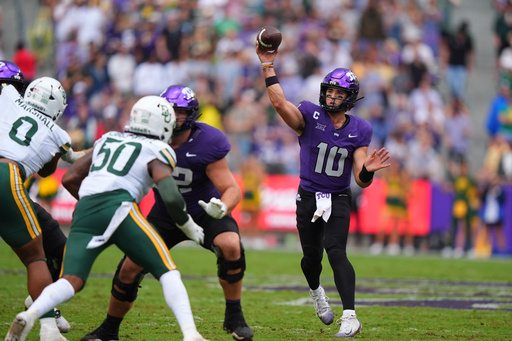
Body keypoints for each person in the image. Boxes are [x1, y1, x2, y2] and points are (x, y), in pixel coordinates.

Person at [5, 95, 208, 341]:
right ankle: (190, 334)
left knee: (71, 281)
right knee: (167, 271)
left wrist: (94, 207)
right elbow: (170, 195)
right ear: (163, 124)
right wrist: (188, 225)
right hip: (120, 206)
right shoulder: (160, 148)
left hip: (86, 208)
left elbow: (69, 178)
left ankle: (31, 314)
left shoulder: (108, 138)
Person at [82, 85, 253, 341]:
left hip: (204, 211)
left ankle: (234, 315)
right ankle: (108, 329)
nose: (173, 117)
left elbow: (231, 188)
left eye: (179, 112)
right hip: (165, 214)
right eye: (169, 111)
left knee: (230, 245)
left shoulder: (208, 141)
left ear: (192, 114)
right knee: (129, 268)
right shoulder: (149, 135)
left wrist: (223, 206)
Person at [256, 43, 390, 337]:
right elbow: (280, 104)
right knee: (311, 258)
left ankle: (350, 316)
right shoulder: (309, 115)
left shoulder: (360, 129)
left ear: (350, 98)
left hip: (339, 197)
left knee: (336, 251)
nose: (332, 96)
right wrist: (268, 65)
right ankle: (317, 292)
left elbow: (361, 179)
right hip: (308, 196)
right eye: (330, 90)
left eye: (339, 93)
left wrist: (368, 169)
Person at [0, 75, 77, 341]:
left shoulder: (8, 95)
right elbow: (50, 169)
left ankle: (45, 309)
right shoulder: (58, 134)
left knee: (52, 240)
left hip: (9, 179)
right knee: (35, 257)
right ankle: (48, 327)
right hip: (6, 177)